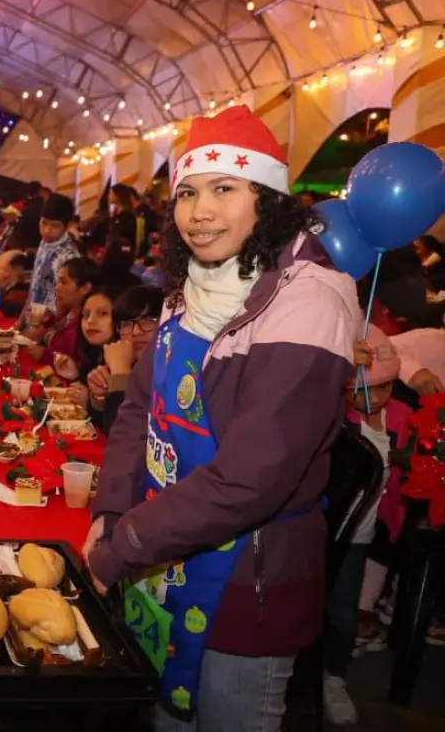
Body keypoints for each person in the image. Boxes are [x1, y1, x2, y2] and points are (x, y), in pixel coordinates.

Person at [84, 106, 359, 730]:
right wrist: (109, 510)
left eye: (224, 189)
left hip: (245, 585)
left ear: (268, 198)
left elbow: (250, 479)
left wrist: (121, 545)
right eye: (186, 193)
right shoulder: (197, 285)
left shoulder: (310, 300)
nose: (198, 211)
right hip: (164, 557)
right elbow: (140, 410)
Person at [323, 325, 411, 725]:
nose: (376, 398)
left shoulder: (405, 420)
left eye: (385, 387)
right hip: (320, 533)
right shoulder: (332, 422)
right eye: (363, 389)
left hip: (360, 539)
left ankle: (332, 678)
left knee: (343, 615)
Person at [88, 285, 163, 435]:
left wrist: (121, 374)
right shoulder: (133, 365)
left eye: (148, 321)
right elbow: (101, 432)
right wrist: (100, 397)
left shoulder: (170, 372)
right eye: (127, 324)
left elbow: (124, 436)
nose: (135, 332)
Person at [25, 257, 101, 368]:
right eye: (58, 282)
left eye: (63, 282)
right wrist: (48, 321)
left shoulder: (88, 324)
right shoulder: (66, 314)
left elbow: (81, 367)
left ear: (85, 288)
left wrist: (45, 356)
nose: (57, 288)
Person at [27, 193, 81, 316]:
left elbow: (65, 302)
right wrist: (19, 324)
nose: (46, 230)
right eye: (44, 223)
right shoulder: (44, 243)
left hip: (50, 324)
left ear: (67, 226)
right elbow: (34, 285)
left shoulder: (69, 256)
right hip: (33, 317)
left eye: (54, 226)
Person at [109, 183, 159, 259]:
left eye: (111, 193)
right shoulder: (115, 215)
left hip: (125, 254)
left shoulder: (128, 215)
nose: (109, 195)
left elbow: (128, 237)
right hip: (114, 252)